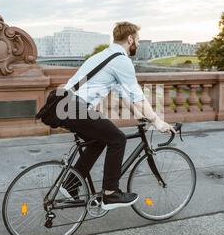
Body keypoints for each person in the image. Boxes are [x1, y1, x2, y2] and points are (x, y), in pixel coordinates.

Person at [58, 21, 176, 210]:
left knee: (98, 140)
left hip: (64, 105)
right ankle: (110, 194)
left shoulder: (103, 55)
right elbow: (137, 95)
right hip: (76, 107)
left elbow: (125, 94)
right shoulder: (121, 60)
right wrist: (157, 121)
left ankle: (71, 183)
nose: (136, 43)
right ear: (130, 39)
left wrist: (140, 114)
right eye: (137, 39)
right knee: (117, 139)